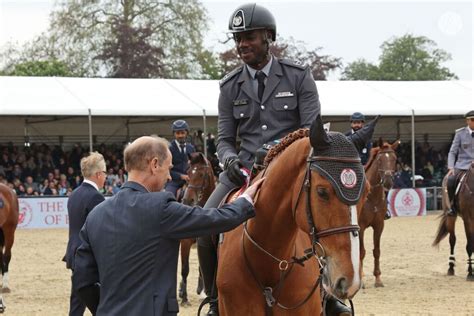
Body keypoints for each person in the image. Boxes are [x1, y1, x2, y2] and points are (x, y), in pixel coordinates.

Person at [196, 3, 352, 315]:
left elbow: (311, 131)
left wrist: (278, 157)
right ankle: (215, 301)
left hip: (292, 171)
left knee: (319, 218)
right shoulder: (229, 86)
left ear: (269, 37)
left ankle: (329, 296)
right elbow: (226, 139)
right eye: (237, 38)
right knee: (205, 226)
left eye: (249, 37)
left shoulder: (297, 77)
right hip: (242, 172)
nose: (242, 44)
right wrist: (229, 161)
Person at [72, 136, 264, 316]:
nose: (170, 177)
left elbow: (83, 281)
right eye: (168, 168)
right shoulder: (160, 207)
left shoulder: (95, 216)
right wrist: (245, 201)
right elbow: (214, 219)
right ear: (154, 164)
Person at [63, 152, 106, 316]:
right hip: (89, 258)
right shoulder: (96, 197)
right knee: (101, 304)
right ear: (98, 174)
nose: (105, 178)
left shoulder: (74, 194)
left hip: (74, 253)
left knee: (76, 304)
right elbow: (99, 232)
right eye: (105, 173)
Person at [446, 110, 474, 216]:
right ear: (468, 121)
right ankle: (453, 206)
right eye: (473, 120)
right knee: (451, 180)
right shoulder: (460, 133)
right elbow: (452, 152)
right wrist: (451, 167)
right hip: (463, 165)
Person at [165, 120, 195, 198]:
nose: (180, 135)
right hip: (173, 181)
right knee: (168, 195)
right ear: (174, 134)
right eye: (178, 133)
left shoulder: (191, 148)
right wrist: (180, 176)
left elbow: (195, 165)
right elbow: (166, 168)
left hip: (189, 180)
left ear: (186, 133)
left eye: (182, 133)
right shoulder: (169, 148)